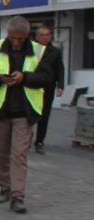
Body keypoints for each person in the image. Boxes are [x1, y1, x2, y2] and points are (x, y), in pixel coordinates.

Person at [0, 16, 53, 215]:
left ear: (27, 36)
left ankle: (17, 196)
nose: (16, 42)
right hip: (0, 110)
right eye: (13, 38)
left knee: (19, 154)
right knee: (1, 152)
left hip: (25, 112)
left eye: (20, 38)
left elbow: (46, 78)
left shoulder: (39, 51)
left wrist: (24, 78)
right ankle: (4, 186)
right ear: (8, 35)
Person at [33, 25, 65, 155]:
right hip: (32, 86)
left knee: (44, 116)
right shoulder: (31, 49)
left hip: (48, 87)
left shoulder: (55, 52)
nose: (45, 37)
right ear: (37, 37)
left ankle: (39, 142)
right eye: (42, 35)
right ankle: (24, 138)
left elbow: (60, 69)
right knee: (29, 114)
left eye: (47, 35)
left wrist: (60, 86)